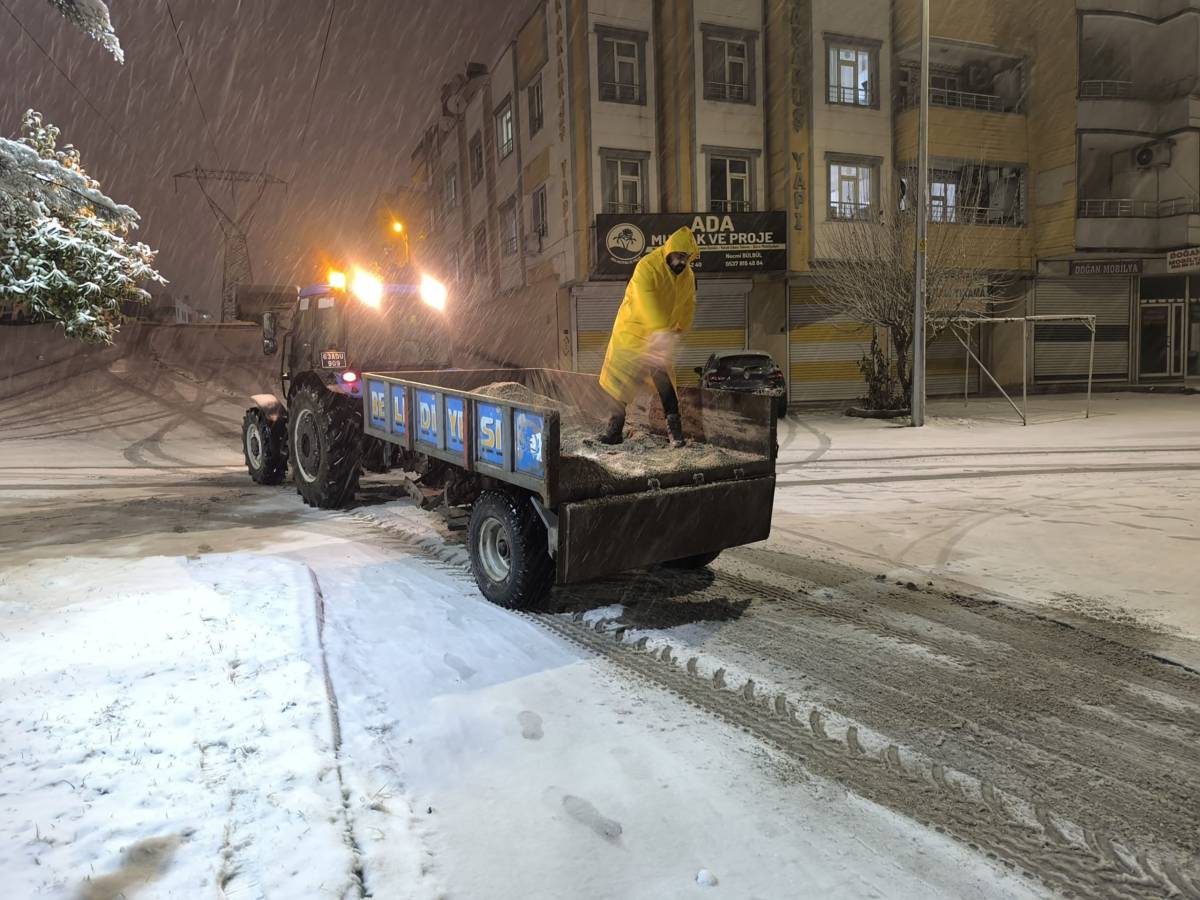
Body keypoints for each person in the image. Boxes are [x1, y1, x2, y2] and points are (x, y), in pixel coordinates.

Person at [597, 226, 699, 447]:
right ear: (669, 251)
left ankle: (675, 434)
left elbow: (689, 303)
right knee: (622, 384)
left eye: (686, 257)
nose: (682, 261)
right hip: (633, 333)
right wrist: (660, 331)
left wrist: (680, 328)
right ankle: (614, 430)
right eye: (679, 256)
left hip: (659, 338)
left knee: (665, 384)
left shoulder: (687, 277)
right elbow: (645, 300)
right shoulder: (647, 266)